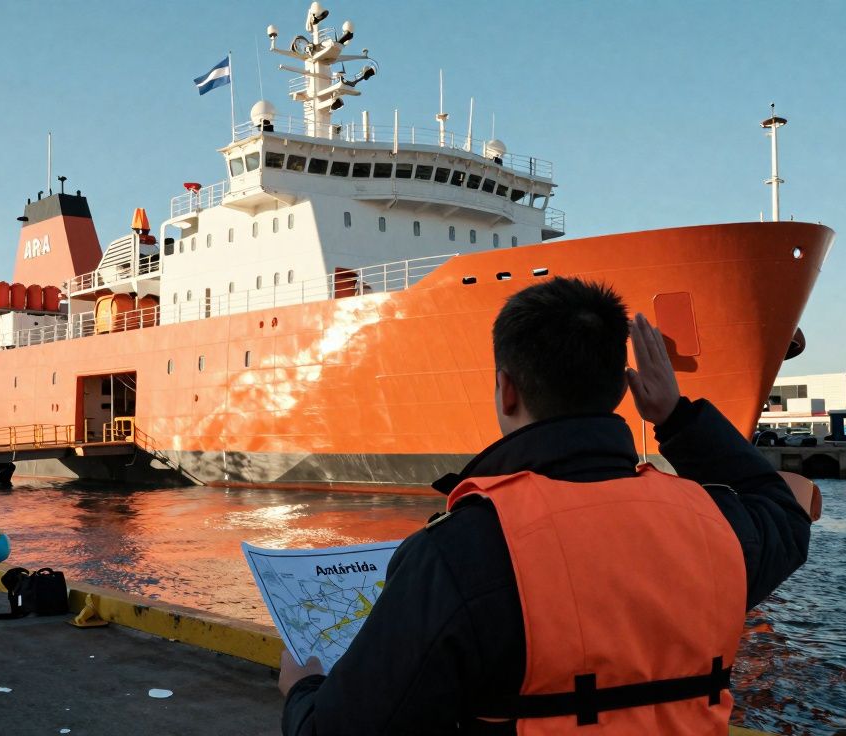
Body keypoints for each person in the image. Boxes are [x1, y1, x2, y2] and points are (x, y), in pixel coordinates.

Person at [279, 277, 814, 734]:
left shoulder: (459, 551)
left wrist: (302, 691)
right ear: (624, 390)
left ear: (506, 390)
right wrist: (675, 416)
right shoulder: (714, 526)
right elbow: (780, 508)